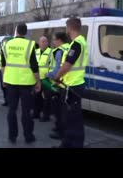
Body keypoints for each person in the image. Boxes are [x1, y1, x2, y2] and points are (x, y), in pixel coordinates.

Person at [1, 23, 41, 144]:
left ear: (16, 31)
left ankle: (12, 136)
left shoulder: (7, 44)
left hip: (11, 82)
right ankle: (28, 136)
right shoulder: (30, 44)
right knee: (26, 111)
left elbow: (3, 65)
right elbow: (34, 66)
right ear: (25, 32)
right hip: (26, 83)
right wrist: (38, 81)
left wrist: (4, 79)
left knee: (12, 110)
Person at [53, 18, 88, 148]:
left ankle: (75, 144)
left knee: (74, 119)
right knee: (69, 118)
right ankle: (67, 144)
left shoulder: (76, 44)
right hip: (72, 84)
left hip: (73, 86)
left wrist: (56, 77)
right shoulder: (80, 42)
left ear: (69, 28)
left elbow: (67, 65)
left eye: (66, 28)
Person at [45, 32, 70, 140]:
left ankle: (60, 132)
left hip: (60, 83)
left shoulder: (60, 51)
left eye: (54, 39)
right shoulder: (69, 48)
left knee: (59, 109)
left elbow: (57, 70)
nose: (53, 42)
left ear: (60, 40)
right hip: (69, 83)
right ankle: (60, 129)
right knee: (64, 110)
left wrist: (47, 74)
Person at [33, 36, 53, 122]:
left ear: (48, 43)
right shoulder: (36, 52)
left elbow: (52, 65)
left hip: (46, 79)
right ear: (39, 43)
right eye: (42, 41)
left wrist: (50, 75)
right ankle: (36, 113)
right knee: (36, 96)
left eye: (45, 41)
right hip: (37, 78)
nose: (43, 43)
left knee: (47, 98)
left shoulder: (51, 52)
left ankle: (46, 115)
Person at [0, 37, 12, 106]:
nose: (3, 44)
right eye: (3, 43)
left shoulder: (8, 51)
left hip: (8, 71)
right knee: (3, 87)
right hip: (1, 70)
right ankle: (6, 100)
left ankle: (9, 101)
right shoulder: (0, 51)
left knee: (8, 87)